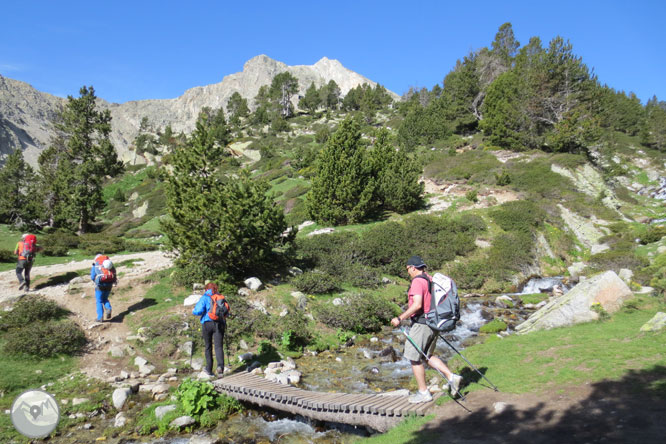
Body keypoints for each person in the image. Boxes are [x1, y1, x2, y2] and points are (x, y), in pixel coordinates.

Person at [391, 255, 463, 403]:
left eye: (408, 268)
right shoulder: (429, 279)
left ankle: (423, 393)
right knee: (426, 355)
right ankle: (451, 377)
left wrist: (400, 318)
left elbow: (417, 305)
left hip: (422, 325)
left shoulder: (417, 281)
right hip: (433, 323)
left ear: (412, 267)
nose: (408, 272)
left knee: (413, 358)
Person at [192, 282, 226, 377]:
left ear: (206, 289)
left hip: (207, 323)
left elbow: (197, 311)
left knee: (208, 346)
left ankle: (209, 369)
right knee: (219, 347)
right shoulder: (220, 297)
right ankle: (220, 368)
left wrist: (193, 311)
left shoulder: (205, 297)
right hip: (219, 324)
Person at [91, 254, 117, 322]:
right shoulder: (109, 263)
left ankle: (100, 318)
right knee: (105, 299)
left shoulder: (96, 265)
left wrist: (95, 281)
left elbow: (92, 277)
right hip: (109, 284)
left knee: (99, 301)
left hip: (100, 285)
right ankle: (108, 309)